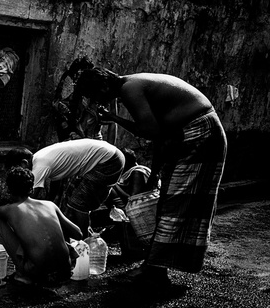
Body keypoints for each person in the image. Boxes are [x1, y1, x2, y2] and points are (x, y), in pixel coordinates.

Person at [74, 68, 226, 291]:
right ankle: (156, 267)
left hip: (200, 134)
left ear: (104, 87)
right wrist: (155, 173)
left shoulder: (129, 88)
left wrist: (116, 118)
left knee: (177, 202)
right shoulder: (132, 85)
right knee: (168, 200)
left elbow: (151, 131)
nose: (98, 101)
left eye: (97, 95)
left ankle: (154, 268)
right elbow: (161, 136)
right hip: (187, 136)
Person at [0, 166, 84, 287]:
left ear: (9, 189)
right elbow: (78, 234)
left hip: (38, 273)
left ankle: (23, 275)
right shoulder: (50, 205)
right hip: (65, 271)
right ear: (31, 189)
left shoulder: (7, 210)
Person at [30, 138, 125, 235]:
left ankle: (84, 240)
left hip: (109, 160)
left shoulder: (39, 167)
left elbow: (28, 199)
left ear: (24, 162)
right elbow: (55, 184)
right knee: (71, 199)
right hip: (109, 154)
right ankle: (79, 235)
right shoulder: (38, 156)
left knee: (78, 203)